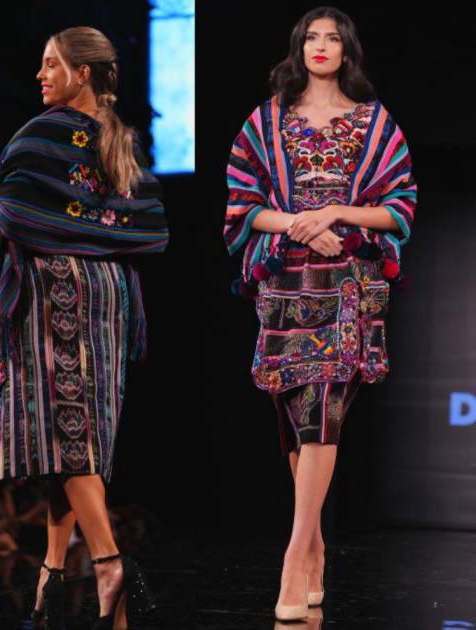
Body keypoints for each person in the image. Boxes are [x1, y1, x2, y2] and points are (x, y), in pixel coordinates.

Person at [0, 26, 169, 630]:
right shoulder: (120, 138)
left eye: (51, 64)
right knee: (80, 435)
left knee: (67, 432)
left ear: (82, 73)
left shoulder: (45, 132)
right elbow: (144, 223)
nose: (40, 75)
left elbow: (17, 209)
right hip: (109, 292)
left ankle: (108, 564)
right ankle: (52, 575)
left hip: (56, 289)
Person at [224, 7, 416, 622]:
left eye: (333, 38)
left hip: (349, 284)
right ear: (298, 47)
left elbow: (400, 209)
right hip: (285, 283)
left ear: (348, 49)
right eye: (312, 37)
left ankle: (293, 556)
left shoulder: (374, 121)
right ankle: (316, 549)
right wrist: (300, 223)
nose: (322, 46)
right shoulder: (265, 121)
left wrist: (336, 214)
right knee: (295, 413)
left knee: (324, 408)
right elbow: (242, 207)